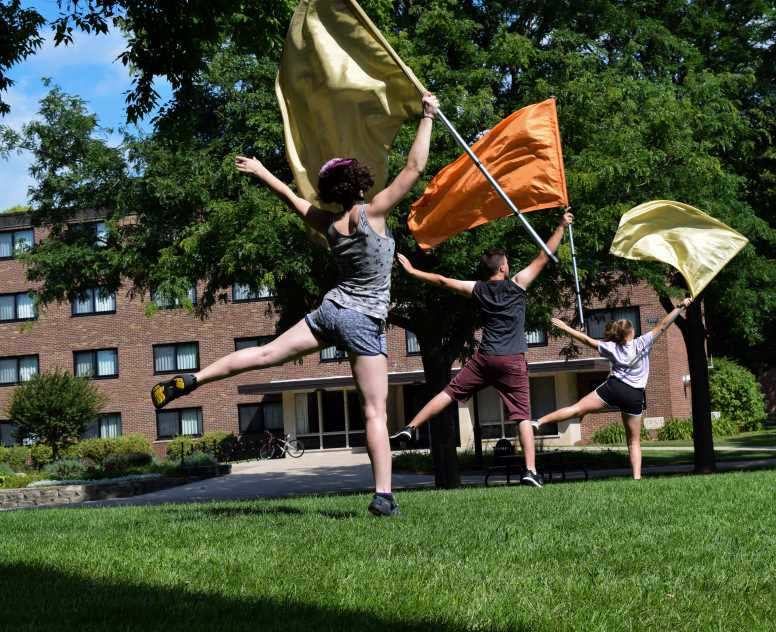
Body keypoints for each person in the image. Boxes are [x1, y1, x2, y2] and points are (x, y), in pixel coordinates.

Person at [150, 92, 441, 517]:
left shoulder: (327, 223)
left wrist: (260, 170)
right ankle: (383, 495)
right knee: (375, 412)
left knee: (265, 354)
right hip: (362, 320)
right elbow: (415, 167)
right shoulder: (373, 213)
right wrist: (428, 116)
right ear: (360, 184)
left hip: (331, 311)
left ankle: (193, 379)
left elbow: (289, 195)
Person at [391, 211, 574, 488]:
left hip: (485, 358)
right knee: (522, 416)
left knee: (448, 392)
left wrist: (413, 271)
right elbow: (544, 255)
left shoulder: (477, 289)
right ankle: (530, 470)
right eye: (508, 263)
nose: (509, 266)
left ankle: (410, 427)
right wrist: (561, 226)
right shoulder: (517, 285)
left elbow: (442, 281)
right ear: (502, 268)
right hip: (512, 360)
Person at [530, 297, 692, 479]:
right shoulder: (642, 342)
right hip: (634, 395)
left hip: (613, 388)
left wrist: (566, 328)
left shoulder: (611, 347)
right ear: (631, 332)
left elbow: (586, 340)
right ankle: (636, 478)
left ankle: (539, 421)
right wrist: (680, 306)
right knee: (634, 441)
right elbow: (663, 324)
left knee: (576, 408)